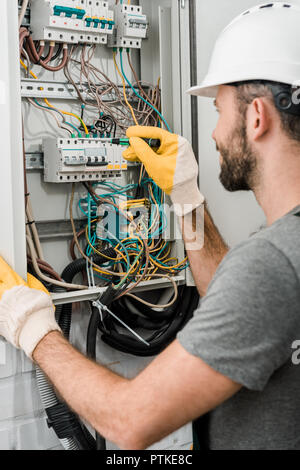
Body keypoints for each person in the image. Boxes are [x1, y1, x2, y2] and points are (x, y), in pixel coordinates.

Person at [1, 2, 300, 450]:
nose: (214, 134)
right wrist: (186, 196)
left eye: (218, 110)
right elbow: (240, 302)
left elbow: (129, 422)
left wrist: (32, 325)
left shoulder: (272, 262)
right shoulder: (283, 253)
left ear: (256, 117)